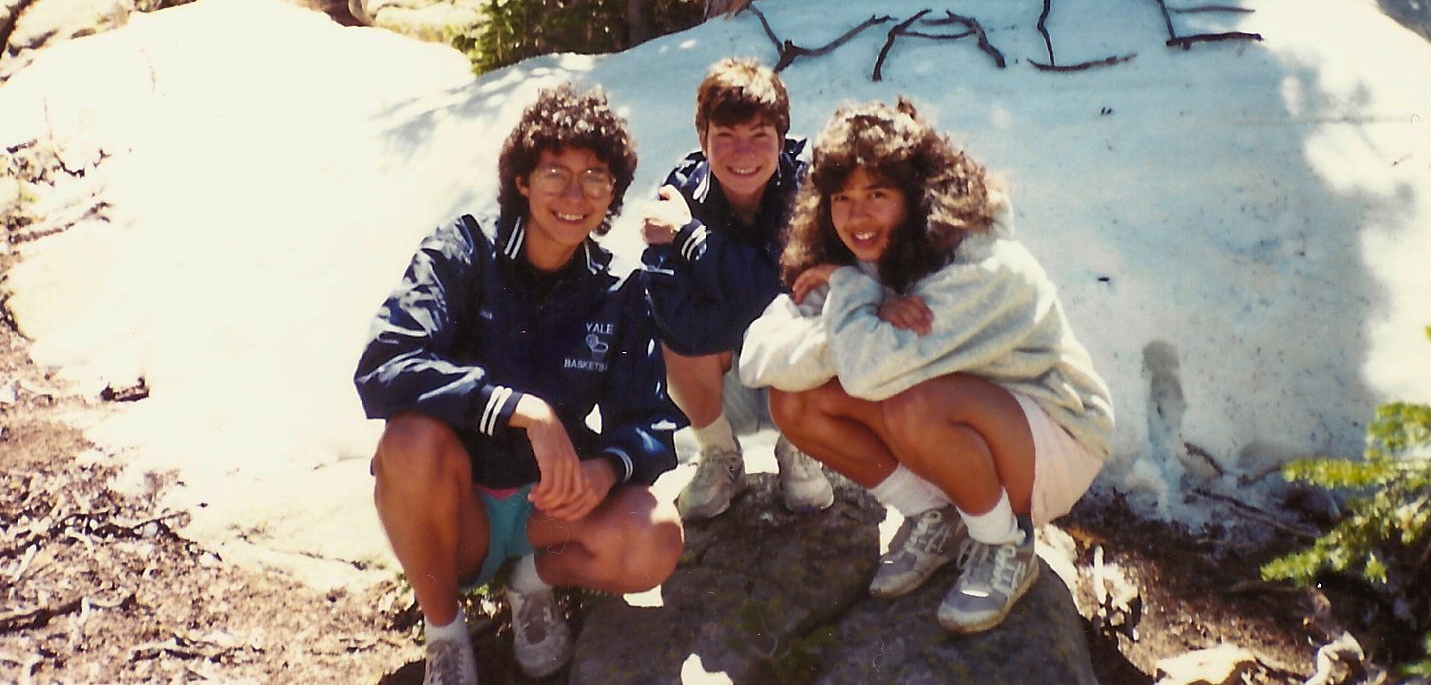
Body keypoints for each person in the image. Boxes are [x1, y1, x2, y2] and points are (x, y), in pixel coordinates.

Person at [739, 98, 1114, 633]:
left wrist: (851, 295)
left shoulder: (982, 263)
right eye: (841, 198)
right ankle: (933, 515)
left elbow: (870, 373)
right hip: (962, 431)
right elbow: (759, 356)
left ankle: (1006, 543)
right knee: (794, 400)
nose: (856, 216)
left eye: (877, 194)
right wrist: (860, 307)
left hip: (1054, 437)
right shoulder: (864, 257)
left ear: (916, 195)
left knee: (912, 402)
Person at [354, 84, 684, 684]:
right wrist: (518, 408)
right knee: (407, 442)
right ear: (523, 180)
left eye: (596, 177)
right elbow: (385, 364)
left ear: (613, 194)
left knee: (655, 535)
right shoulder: (464, 251)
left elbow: (652, 421)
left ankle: (531, 585)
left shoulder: (616, 290)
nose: (575, 195)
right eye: (556, 172)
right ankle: (446, 631)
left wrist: (606, 468)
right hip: (458, 510)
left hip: (546, 510)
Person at [640, 57, 834, 520]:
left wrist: (690, 238)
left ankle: (799, 450)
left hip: (798, 377)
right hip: (723, 383)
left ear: (782, 139)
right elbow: (671, 310)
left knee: (820, 313)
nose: (742, 154)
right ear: (702, 140)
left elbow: (805, 297)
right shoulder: (679, 194)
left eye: (759, 137)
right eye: (725, 137)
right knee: (673, 337)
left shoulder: (811, 189)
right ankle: (721, 455)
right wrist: (758, 303)